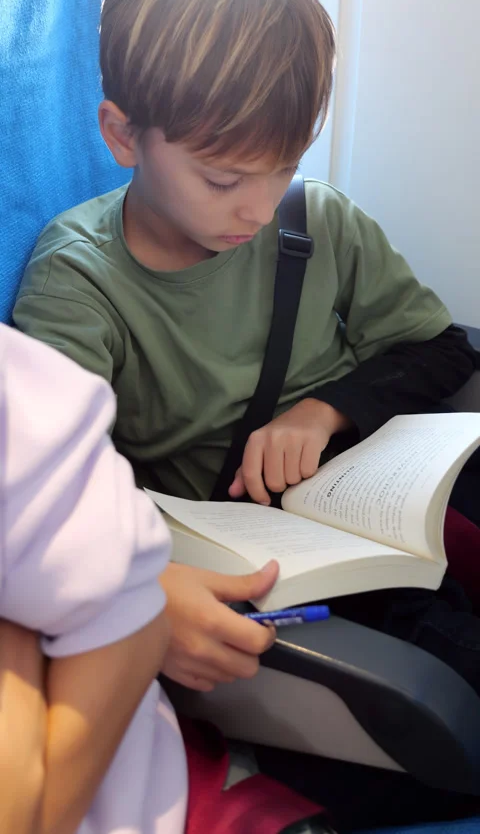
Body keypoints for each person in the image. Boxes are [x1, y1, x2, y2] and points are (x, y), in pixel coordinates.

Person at [12, 0, 480, 703]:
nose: (260, 211)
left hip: (374, 494)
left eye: (285, 166)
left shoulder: (316, 218)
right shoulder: (80, 279)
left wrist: (322, 412)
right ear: (124, 136)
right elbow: (45, 492)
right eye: (224, 179)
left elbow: (440, 347)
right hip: (257, 560)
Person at [0, 323, 333, 834]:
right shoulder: (75, 289)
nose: (256, 235)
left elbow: (437, 345)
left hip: (153, 772)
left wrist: (324, 410)